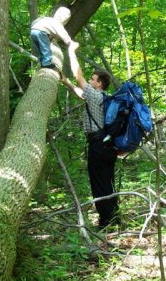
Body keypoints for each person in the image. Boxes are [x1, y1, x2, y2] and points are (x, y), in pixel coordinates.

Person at [62, 44, 119, 229]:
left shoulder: (95, 96)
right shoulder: (104, 98)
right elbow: (81, 94)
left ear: (99, 84)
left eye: (93, 79)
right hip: (108, 146)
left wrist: (71, 51)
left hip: (98, 145)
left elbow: (79, 78)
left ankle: (106, 221)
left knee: (99, 183)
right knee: (107, 182)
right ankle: (114, 217)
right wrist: (67, 83)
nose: (90, 80)